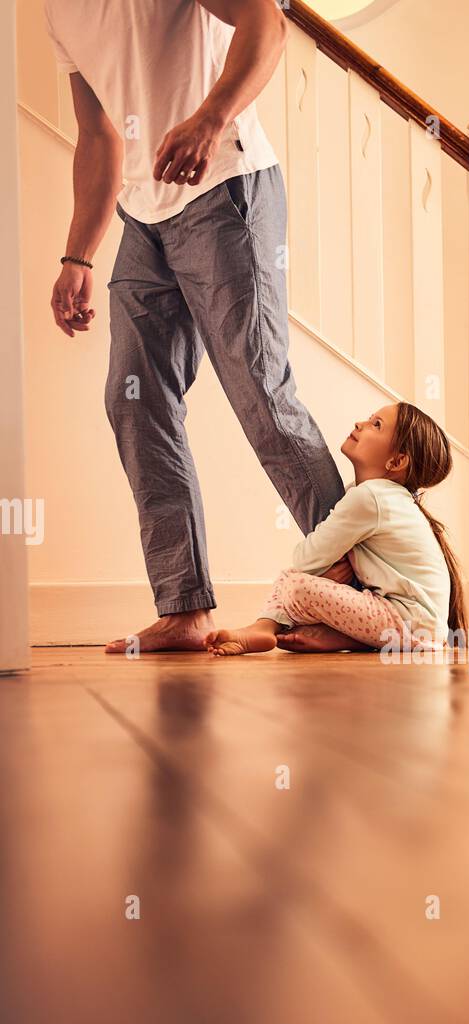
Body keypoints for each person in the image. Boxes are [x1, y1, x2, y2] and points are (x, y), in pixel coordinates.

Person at [43, 0, 346, 653]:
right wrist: (77, 256)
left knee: (260, 393)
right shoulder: (58, 11)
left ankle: (357, 601)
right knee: (134, 399)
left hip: (226, 187)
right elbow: (97, 136)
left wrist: (211, 118)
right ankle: (184, 607)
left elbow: (266, 20)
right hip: (142, 215)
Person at [205, 402, 466, 656]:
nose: (359, 424)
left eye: (376, 425)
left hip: (410, 624)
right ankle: (269, 628)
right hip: (413, 624)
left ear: (396, 461)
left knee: (296, 584)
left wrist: (326, 575)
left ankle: (273, 627)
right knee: (293, 583)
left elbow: (305, 560)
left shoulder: (370, 498)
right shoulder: (378, 496)